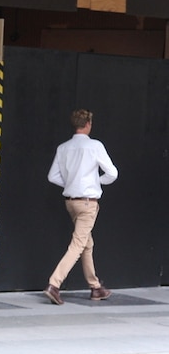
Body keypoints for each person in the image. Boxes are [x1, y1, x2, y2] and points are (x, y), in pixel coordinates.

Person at [43, 109, 118, 305]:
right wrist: (95, 182)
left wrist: (72, 183)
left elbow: (52, 176)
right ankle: (54, 284)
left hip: (71, 202)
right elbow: (112, 173)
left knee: (86, 243)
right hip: (87, 202)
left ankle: (95, 287)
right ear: (88, 124)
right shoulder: (95, 146)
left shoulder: (63, 147)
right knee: (78, 244)